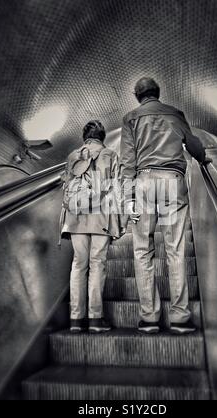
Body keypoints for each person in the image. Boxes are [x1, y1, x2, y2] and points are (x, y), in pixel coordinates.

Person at [120, 78, 207, 335]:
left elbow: (127, 162)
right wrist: (202, 158)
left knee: (142, 251)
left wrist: (127, 199)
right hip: (172, 181)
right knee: (176, 249)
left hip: (143, 181)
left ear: (137, 96)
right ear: (157, 93)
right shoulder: (175, 113)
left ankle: (149, 318)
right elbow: (192, 144)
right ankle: (180, 317)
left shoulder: (130, 118)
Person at [60, 120, 124, 334]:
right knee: (97, 264)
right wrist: (120, 222)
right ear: (103, 137)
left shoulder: (72, 156)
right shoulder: (110, 155)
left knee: (78, 265)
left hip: (76, 216)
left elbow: (65, 187)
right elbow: (117, 190)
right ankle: (96, 319)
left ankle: (76, 320)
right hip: (101, 217)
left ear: (84, 136)